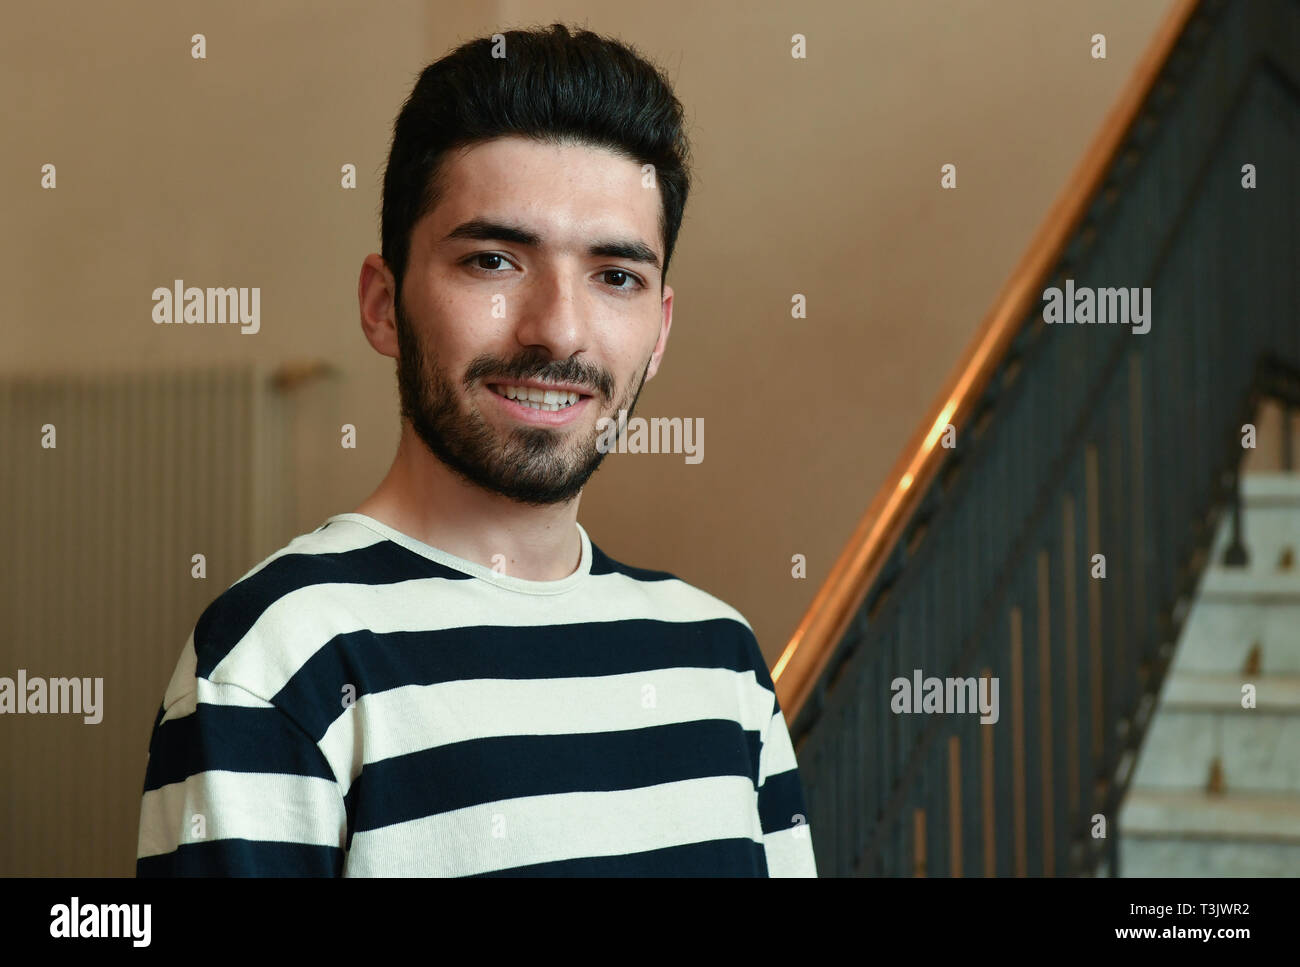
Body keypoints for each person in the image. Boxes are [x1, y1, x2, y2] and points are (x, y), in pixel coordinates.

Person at [136, 22, 816, 877]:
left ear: (660, 329)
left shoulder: (722, 660)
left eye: (616, 276)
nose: (558, 330)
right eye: (493, 260)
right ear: (384, 306)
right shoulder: (279, 660)